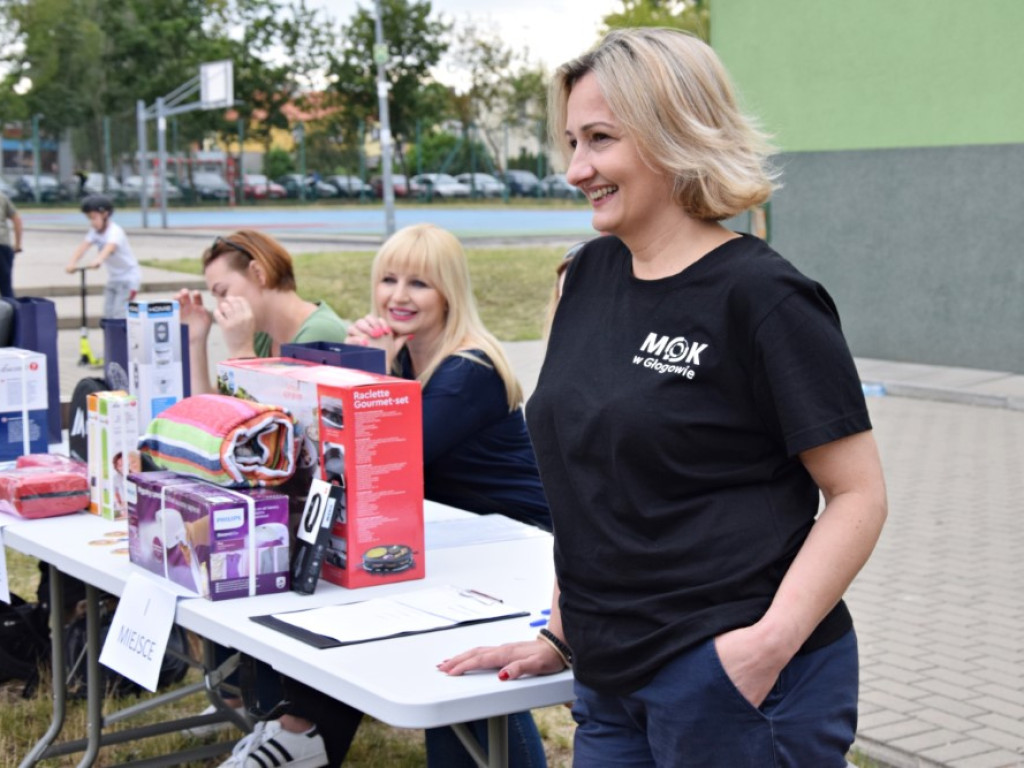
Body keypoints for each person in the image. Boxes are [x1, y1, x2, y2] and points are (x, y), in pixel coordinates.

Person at [439, 27, 888, 768]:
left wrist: (761, 650)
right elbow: (593, 482)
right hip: (608, 674)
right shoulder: (584, 277)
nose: (578, 168)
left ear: (672, 133)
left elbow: (859, 495)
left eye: (601, 140)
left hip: (734, 680)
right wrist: (560, 630)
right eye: (573, 142)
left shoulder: (765, 298)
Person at [216, 223, 550, 768]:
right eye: (388, 279)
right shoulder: (407, 357)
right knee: (341, 591)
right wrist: (365, 364)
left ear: (449, 292)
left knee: (446, 658)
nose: (398, 296)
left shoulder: (470, 369)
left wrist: (363, 378)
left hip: (513, 540)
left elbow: (378, 463)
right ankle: (298, 732)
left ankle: (302, 738)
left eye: (419, 283)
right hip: (445, 529)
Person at [177, 229, 349, 395]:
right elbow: (215, 408)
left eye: (223, 292)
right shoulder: (263, 336)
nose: (219, 308)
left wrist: (242, 352)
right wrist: (195, 341)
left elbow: (268, 419)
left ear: (258, 273)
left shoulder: (320, 334)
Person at [65, 195, 140, 319]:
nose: (92, 222)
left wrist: (98, 260)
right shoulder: (95, 232)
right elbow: (83, 247)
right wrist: (72, 263)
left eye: (94, 218)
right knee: (108, 315)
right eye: (89, 218)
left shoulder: (115, 231)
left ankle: (123, 338)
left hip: (129, 278)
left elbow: (109, 247)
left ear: (105, 214)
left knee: (120, 314)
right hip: (114, 278)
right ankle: (111, 338)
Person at [0, 188, 22, 299]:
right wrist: (17, 245)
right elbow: (17, 220)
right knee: (6, 288)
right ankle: (12, 314)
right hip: (2, 244)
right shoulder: (2, 197)